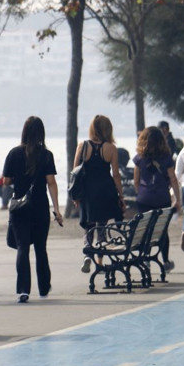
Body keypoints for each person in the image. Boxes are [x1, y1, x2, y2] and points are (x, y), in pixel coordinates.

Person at [3, 116, 63, 303]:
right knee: (40, 248)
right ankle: (43, 288)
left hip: (19, 208)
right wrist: (57, 209)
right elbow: (51, 183)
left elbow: (6, 181)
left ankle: (23, 290)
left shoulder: (14, 153)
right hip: (39, 207)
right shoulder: (46, 155)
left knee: (22, 247)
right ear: (41, 133)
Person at [72, 115, 127, 273]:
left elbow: (75, 171)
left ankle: (88, 254)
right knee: (101, 226)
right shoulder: (111, 148)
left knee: (88, 226)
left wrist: (75, 196)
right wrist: (120, 195)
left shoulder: (82, 145)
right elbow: (116, 174)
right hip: (105, 191)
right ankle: (100, 261)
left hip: (87, 192)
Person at [132, 126, 181, 271]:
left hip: (144, 199)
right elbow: (173, 179)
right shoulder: (166, 158)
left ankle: (145, 259)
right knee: (162, 230)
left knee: (146, 229)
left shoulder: (139, 158)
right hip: (162, 198)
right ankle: (165, 261)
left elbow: (136, 181)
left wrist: (139, 193)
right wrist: (177, 199)